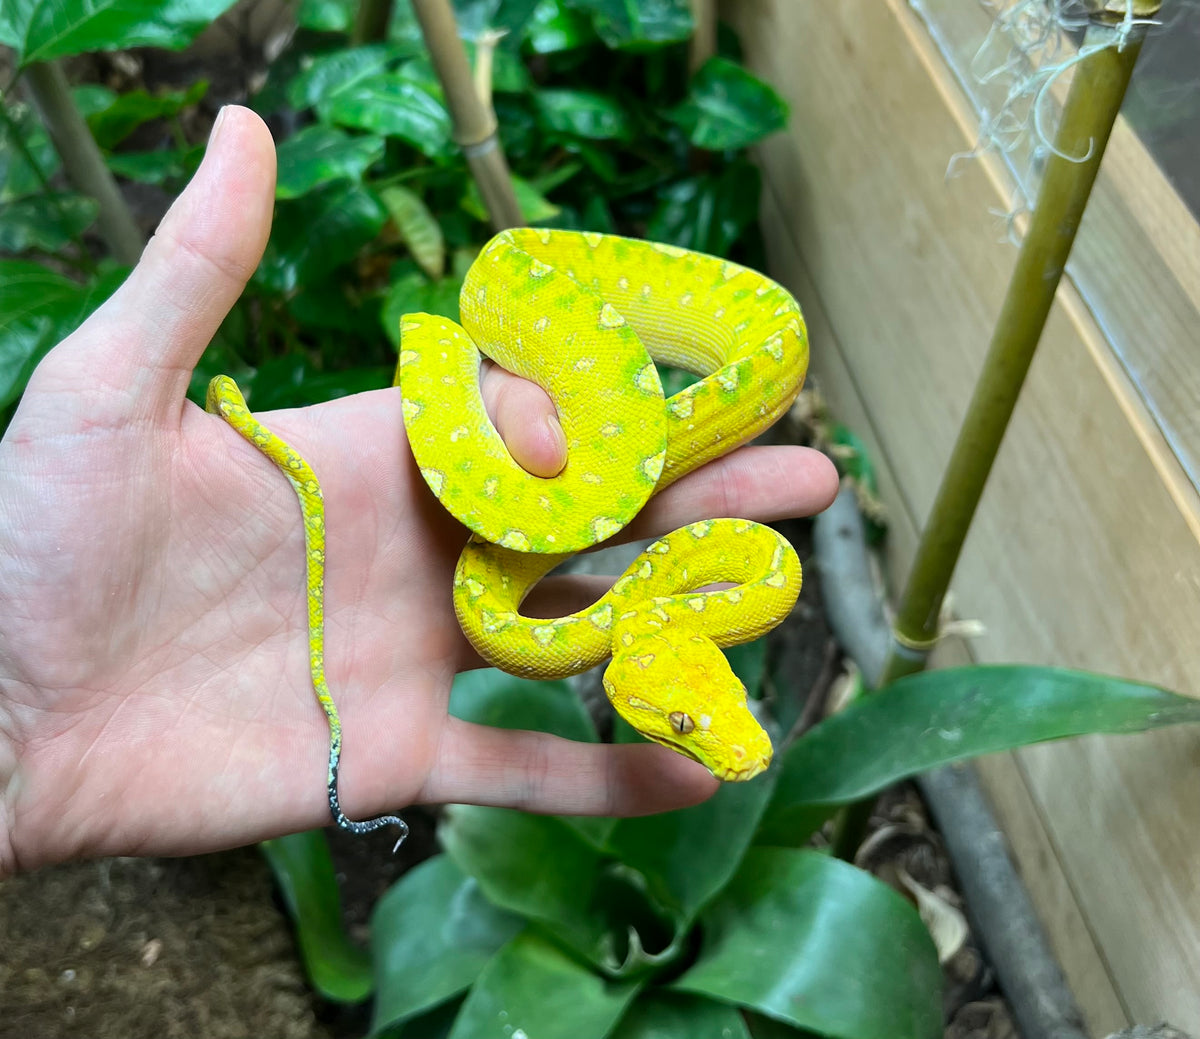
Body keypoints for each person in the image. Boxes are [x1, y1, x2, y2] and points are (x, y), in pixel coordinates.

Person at [0, 107, 839, 879]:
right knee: (541, 416)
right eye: (694, 720)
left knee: (563, 438)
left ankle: (455, 366)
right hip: (522, 325)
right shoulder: (689, 598)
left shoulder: (733, 580)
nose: (726, 743)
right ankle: (452, 363)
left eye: (703, 712)